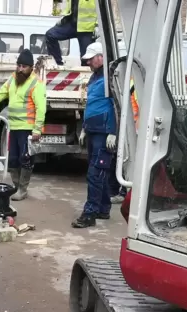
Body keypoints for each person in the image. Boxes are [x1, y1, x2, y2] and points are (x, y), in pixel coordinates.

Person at [0, 49, 46, 201]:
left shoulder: (36, 83)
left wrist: (37, 129)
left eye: (24, 66)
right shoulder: (13, 79)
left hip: (27, 129)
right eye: (19, 65)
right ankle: (16, 187)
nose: (20, 69)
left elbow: (41, 108)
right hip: (13, 127)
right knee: (12, 160)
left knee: (26, 159)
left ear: (31, 67)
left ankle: (23, 190)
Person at [73, 42, 118, 228]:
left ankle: (90, 213)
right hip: (94, 130)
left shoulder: (112, 78)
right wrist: (84, 127)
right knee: (101, 173)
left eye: (91, 59)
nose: (88, 63)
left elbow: (118, 106)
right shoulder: (96, 78)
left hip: (103, 133)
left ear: (101, 57)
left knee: (95, 173)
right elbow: (91, 105)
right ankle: (103, 208)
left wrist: (113, 131)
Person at [45, 0, 98, 66]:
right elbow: (70, 6)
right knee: (50, 35)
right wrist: (63, 18)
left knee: (86, 60)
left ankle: (90, 75)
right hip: (72, 24)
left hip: (87, 28)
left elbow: (102, 9)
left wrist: (97, 25)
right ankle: (57, 64)